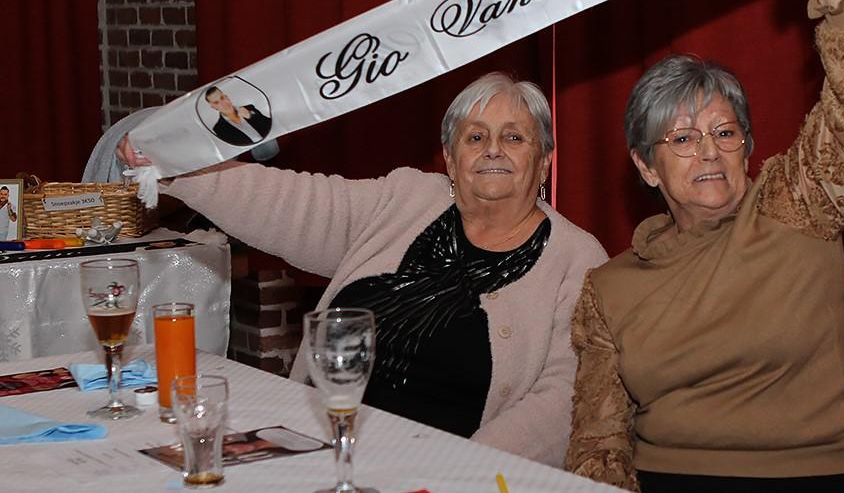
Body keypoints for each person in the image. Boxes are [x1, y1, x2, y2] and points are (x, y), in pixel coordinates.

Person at [566, 0, 844, 491]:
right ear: (645, 166)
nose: (709, 151)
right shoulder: (608, 290)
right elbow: (598, 447)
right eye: (681, 138)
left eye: (725, 132)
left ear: (749, 147)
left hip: (813, 480)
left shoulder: (798, 205)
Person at [119, 72, 608, 467]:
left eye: (514, 137)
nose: (493, 149)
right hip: (321, 451)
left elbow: (562, 400)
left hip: (447, 472)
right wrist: (178, 166)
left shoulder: (577, 259)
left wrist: (463, 470)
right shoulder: (405, 199)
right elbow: (291, 202)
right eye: (475, 137)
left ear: (544, 161)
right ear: (450, 159)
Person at [204, 85, 272, 146]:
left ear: (227, 97)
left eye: (222, 98)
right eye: (216, 102)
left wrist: (251, 115)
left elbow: (271, 125)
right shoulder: (219, 129)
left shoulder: (249, 108)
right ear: (213, 107)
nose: (223, 104)